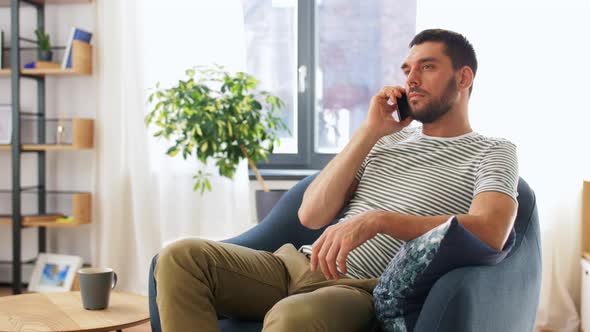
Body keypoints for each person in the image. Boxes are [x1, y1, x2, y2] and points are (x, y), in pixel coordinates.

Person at [154, 28, 519, 332]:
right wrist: (370, 130)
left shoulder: (493, 151)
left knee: (292, 318)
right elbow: (311, 216)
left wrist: (378, 221)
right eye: (407, 69)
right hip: (298, 265)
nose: (411, 79)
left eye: (427, 67)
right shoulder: (384, 139)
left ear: (464, 77)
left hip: (360, 289)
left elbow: (490, 229)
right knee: (179, 257)